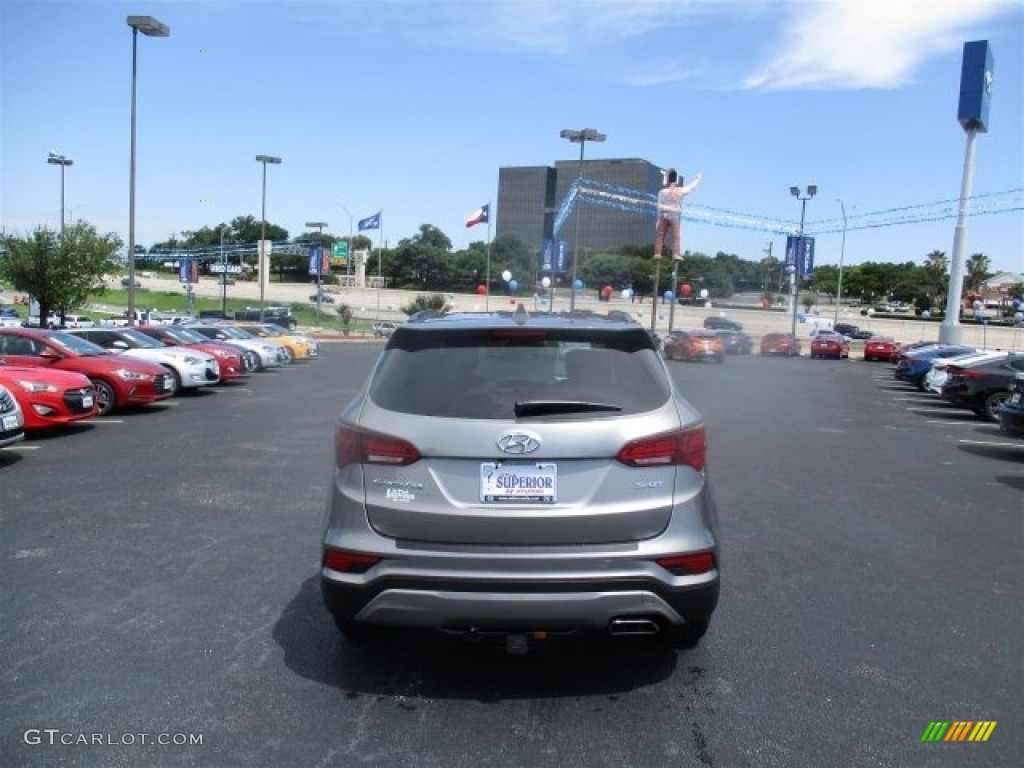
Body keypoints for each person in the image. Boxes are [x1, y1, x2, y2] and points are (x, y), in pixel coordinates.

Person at [654, 169, 702, 261]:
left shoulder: (662, 192)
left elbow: (659, 206)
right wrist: (697, 179)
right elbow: (691, 187)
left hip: (663, 215)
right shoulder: (680, 191)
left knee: (660, 236)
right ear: (676, 180)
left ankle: (657, 253)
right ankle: (675, 254)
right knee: (676, 236)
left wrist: (658, 219)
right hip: (674, 216)